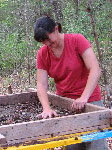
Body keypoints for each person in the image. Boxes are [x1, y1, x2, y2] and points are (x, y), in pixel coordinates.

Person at [34, 16, 108, 150]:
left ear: (56, 29)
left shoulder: (77, 40)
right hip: (66, 105)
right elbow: (41, 84)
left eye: (48, 39)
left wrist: (84, 97)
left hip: (91, 102)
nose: (47, 44)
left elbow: (95, 69)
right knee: (72, 147)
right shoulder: (43, 54)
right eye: (43, 42)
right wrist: (47, 108)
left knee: (96, 146)